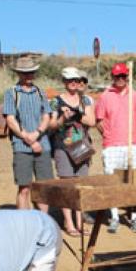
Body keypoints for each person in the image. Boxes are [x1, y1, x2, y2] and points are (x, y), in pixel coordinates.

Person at [96, 62, 136, 233]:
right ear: (112, 77)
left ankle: (134, 217)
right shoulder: (105, 96)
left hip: (132, 145)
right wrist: (109, 135)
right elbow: (99, 120)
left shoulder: (135, 95)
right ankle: (114, 217)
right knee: (112, 183)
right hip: (111, 146)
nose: (120, 79)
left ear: (127, 77)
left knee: (133, 181)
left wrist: (129, 133)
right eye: (117, 76)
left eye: (123, 76)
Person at [49, 67, 96, 236]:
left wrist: (76, 116)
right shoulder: (55, 102)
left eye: (77, 80)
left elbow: (91, 121)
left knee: (80, 185)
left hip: (81, 146)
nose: (74, 83)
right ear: (64, 82)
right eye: (71, 80)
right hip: (63, 146)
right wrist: (63, 118)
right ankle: (69, 223)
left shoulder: (86, 101)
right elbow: (51, 125)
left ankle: (80, 221)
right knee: (67, 184)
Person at [3, 57, 52, 212]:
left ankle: (43, 224)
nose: (29, 75)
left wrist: (37, 134)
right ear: (18, 73)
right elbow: (10, 120)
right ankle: (25, 225)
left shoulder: (40, 92)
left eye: (31, 72)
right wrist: (28, 138)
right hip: (21, 146)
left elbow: (47, 116)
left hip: (42, 144)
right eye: (25, 73)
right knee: (24, 188)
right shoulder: (11, 93)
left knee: (43, 188)